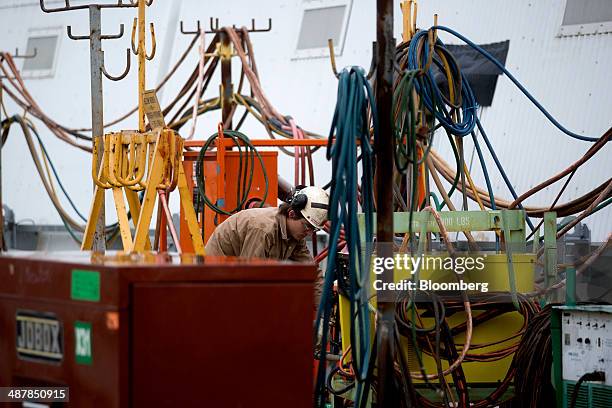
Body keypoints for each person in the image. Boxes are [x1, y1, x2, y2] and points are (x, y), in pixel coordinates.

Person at [205, 186, 329, 306]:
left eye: (313, 230)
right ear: (291, 214)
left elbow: (310, 272)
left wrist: (324, 309)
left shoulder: (296, 235)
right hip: (216, 282)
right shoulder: (263, 230)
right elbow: (250, 279)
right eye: (307, 226)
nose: (308, 233)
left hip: (235, 282)